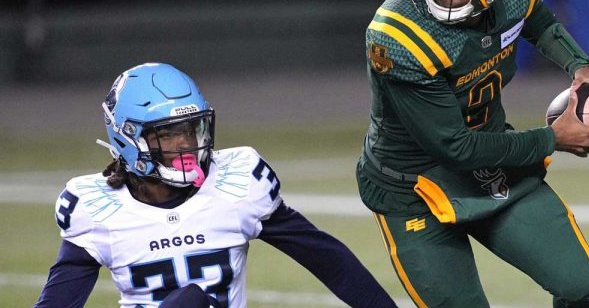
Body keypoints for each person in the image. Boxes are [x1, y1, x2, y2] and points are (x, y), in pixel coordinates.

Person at [356, 0, 589, 308]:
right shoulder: (398, 37)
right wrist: (554, 138)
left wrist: (580, 66)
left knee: (582, 291)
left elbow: (531, 14)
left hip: (491, 169)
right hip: (411, 187)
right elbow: (454, 146)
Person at [35, 62, 397, 308]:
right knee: (188, 301)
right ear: (128, 139)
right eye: (167, 135)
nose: (185, 145)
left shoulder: (237, 186)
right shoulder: (97, 210)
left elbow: (327, 258)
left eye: (190, 130)